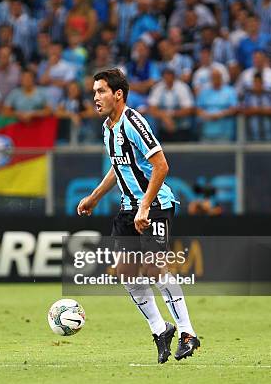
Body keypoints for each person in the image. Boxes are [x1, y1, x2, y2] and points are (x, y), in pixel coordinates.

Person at [77, 68, 199, 363]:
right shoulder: (108, 127)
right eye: (94, 92)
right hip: (128, 208)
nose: (96, 97)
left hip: (154, 205)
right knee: (125, 272)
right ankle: (160, 330)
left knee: (156, 269)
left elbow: (161, 165)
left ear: (118, 94)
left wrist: (145, 206)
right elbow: (119, 167)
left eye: (101, 91)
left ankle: (187, 332)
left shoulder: (133, 121)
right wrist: (94, 197)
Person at [148, 68, 195, 142]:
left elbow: (189, 110)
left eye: (170, 77)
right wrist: (164, 117)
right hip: (163, 128)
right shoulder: (157, 88)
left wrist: (171, 115)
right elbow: (151, 109)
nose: (168, 80)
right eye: (166, 78)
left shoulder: (182, 88)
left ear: (174, 77)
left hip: (181, 128)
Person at [196, 69, 239, 142]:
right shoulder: (204, 92)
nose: (215, 79)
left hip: (225, 133)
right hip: (206, 132)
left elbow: (234, 108)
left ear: (221, 78)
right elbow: (198, 109)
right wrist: (207, 115)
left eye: (217, 77)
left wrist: (220, 114)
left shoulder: (230, 91)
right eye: (213, 77)